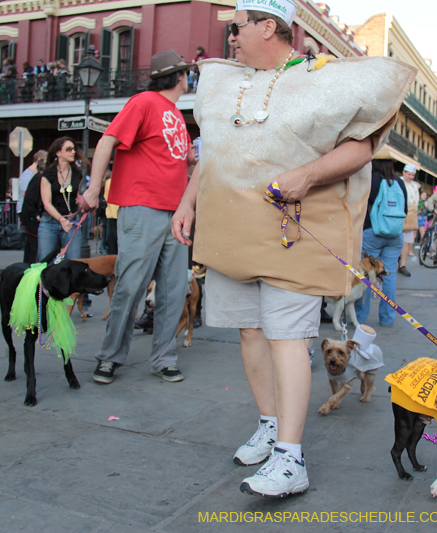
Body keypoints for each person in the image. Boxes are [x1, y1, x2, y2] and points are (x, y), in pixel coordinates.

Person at [168, 0, 413, 498]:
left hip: (292, 231)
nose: (229, 38)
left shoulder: (322, 78)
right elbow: (212, 149)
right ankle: (269, 425)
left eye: (236, 29)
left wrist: (306, 175)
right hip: (232, 232)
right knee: (250, 333)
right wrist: (187, 202)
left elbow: (361, 145)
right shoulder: (225, 86)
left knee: (286, 338)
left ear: (267, 27)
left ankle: (291, 457)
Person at [79, 49, 195, 385]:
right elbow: (107, 142)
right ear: (177, 76)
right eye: (187, 72)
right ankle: (110, 357)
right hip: (142, 206)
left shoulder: (175, 113)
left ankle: (163, 358)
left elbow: (182, 157)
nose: (190, 77)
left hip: (176, 212)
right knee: (130, 287)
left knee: (174, 291)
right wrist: (93, 189)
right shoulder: (144, 101)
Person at [354, 159, 406, 327]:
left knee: (367, 274)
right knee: (389, 275)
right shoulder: (400, 182)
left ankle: (360, 317)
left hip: (372, 233)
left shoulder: (372, 180)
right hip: (395, 235)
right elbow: (404, 209)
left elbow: (360, 206)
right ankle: (388, 318)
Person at [38, 137, 85, 261]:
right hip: (49, 222)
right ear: (58, 153)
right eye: (68, 149)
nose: (73, 152)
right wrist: (61, 220)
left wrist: (83, 204)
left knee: (73, 262)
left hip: (71, 221)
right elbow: (46, 203)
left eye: (74, 149)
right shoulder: (48, 173)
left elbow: (78, 195)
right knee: (45, 263)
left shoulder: (77, 173)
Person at [398, 163, 420, 277]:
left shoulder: (415, 186)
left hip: (411, 215)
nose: (411, 177)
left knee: (407, 241)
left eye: (413, 175)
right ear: (404, 172)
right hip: (399, 214)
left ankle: (403, 264)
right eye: (409, 174)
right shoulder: (398, 182)